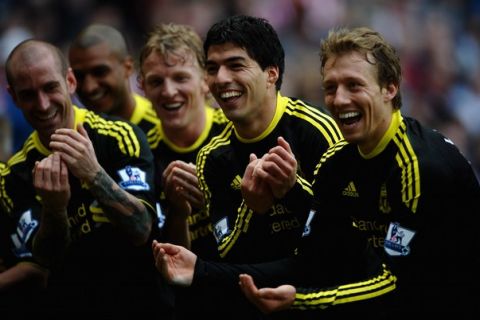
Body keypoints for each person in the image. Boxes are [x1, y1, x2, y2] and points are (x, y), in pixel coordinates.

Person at [235, 27, 480, 317]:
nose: (339, 100)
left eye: (354, 85)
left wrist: (302, 299)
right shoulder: (336, 162)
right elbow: (316, 258)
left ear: (390, 88)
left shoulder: (418, 167)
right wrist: (202, 271)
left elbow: (395, 285)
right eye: (331, 88)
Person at [160, 15, 344, 319]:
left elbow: (340, 241)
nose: (220, 79)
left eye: (235, 65)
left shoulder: (318, 130)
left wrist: (292, 190)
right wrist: (251, 208)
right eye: (212, 68)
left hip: (320, 298)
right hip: (255, 300)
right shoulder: (212, 157)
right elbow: (230, 253)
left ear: (271, 74)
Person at [0, 39, 161, 318]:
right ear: (13, 98)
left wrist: (93, 174)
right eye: (28, 94)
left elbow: (142, 229)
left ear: (70, 81)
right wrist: (54, 208)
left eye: (50, 88)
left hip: (143, 305)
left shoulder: (120, 136)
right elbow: (45, 263)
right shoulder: (14, 175)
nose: (42, 104)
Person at [137, 23, 229, 319]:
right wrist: (178, 212)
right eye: (156, 81)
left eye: (180, 77)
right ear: (141, 85)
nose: (169, 91)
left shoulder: (235, 135)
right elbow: (169, 263)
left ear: (205, 81)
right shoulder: (140, 154)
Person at [68, 23, 161, 148]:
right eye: (79, 76)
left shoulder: (160, 126)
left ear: (128, 67)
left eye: (100, 72)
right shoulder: (71, 136)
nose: (89, 87)